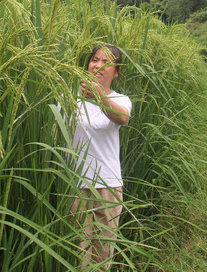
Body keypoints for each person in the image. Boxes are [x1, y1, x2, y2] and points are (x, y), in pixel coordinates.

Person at [70, 44, 132, 270]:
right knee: (79, 254)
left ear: (117, 72)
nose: (98, 65)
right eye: (95, 59)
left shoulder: (121, 99)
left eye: (107, 62)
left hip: (107, 185)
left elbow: (122, 117)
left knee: (102, 257)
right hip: (75, 184)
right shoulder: (70, 98)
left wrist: (98, 97)